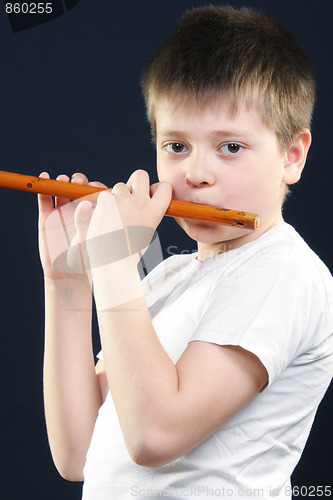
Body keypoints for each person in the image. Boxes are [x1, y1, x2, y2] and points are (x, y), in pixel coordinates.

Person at [38, 5, 333, 499]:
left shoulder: (287, 273)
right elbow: (78, 453)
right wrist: (69, 283)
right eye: (176, 146)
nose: (196, 173)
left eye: (231, 147)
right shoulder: (167, 274)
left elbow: (155, 434)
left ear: (292, 155)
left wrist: (114, 266)